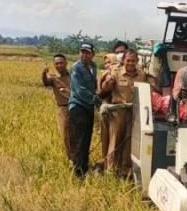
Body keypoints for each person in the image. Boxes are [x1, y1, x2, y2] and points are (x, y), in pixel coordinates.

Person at [100, 49, 153, 174]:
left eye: (133, 61)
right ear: (123, 60)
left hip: (134, 113)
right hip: (118, 112)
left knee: (129, 141)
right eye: (128, 60)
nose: (130, 63)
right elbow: (104, 89)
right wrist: (108, 82)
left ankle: (125, 170)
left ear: (137, 61)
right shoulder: (116, 72)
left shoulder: (141, 75)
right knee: (115, 140)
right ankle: (110, 170)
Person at [69, 43, 100, 177]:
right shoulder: (76, 68)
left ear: (93, 54)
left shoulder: (93, 66)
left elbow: (94, 85)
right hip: (78, 106)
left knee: (87, 138)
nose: (84, 55)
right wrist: (96, 100)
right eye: (82, 52)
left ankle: (84, 167)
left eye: (87, 52)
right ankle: (79, 172)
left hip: (88, 107)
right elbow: (80, 90)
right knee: (80, 140)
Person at [42, 54, 73, 160]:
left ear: (66, 63)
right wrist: (44, 73)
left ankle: (81, 159)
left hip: (76, 108)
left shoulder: (73, 75)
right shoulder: (53, 77)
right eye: (56, 63)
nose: (59, 65)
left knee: (77, 134)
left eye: (61, 63)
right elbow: (46, 83)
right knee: (66, 135)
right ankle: (72, 160)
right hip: (63, 109)